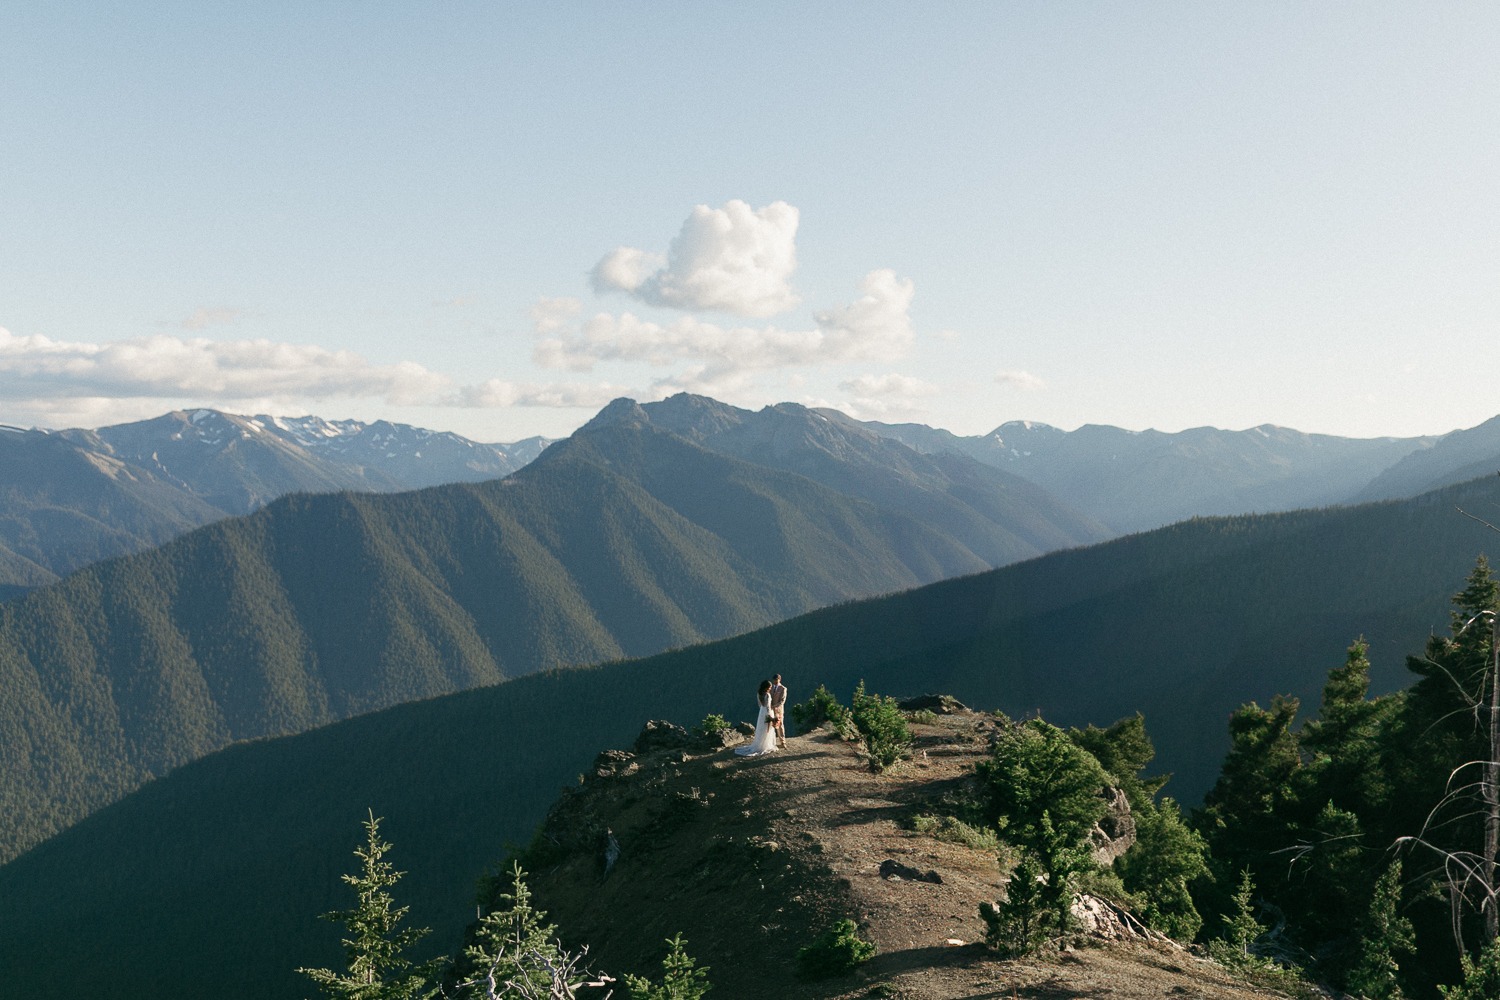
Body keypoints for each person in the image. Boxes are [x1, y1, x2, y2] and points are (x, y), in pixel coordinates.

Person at [735, 679, 779, 756]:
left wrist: (762, 712)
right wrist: (771, 717)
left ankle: (759, 744)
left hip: (761, 711)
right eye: (770, 687)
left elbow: (760, 704)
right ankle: (765, 745)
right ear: (767, 687)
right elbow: (768, 707)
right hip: (767, 712)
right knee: (766, 729)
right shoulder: (767, 695)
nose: (771, 688)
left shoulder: (759, 693)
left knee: (761, 728)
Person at [769, 673, 788, 748]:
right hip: (770, 710)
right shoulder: (770, 688)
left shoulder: (783, 688)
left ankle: (783, 742)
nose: (775, 681)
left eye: (777, 680)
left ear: (780, 679)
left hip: (778, 710)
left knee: (780, 725)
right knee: (769, 724)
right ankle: (771, 742)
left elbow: (782, 701)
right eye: (774, 680)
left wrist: (775, 706)